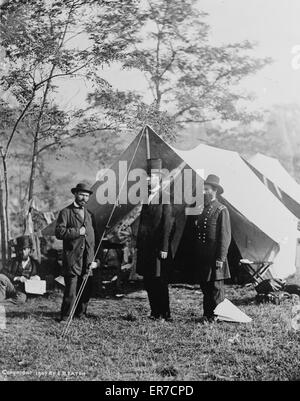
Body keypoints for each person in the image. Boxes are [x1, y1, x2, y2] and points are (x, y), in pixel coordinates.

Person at [136, 158, 175, 321]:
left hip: (159, 249)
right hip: (146, 249)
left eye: (149, 177)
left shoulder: (164, 197)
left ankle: (165, 313)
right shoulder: (146, 198)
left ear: (158, 178)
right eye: (146, 177)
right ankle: (154, 312)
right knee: (149, 280)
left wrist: (164, 247)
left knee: (160, 281)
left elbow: (167, 225)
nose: (146, 180)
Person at [55, 182, 98, 321]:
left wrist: (94, 260)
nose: (84, 198)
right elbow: (59, 232)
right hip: (72, 258)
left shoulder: (90, 215)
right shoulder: (65, 212)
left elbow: (92, 239)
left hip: (87, 259)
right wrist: (77, 232)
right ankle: (66, 316)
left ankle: (81, 314)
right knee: (71, 291)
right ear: (75, 194)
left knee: (86, 289)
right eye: (81, 195)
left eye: (86, 196)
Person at [193, 174, 231, 322]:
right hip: (204, 257)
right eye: (203, 189)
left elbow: (225, 236)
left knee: (216, 288)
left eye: (206, 189)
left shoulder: (221, 209)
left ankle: (218, 316)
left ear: (214, 190)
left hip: (215, 257)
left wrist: (221, 258)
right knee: (206, 286)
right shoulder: (205, 209)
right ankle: (207, 314)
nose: (203, 192)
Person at [0, 235, 40, 303]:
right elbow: (3, 271)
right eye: (21, 250)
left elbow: (42, 274)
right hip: (11, 287)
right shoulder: (13, 261)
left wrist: (37, 277)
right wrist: (17, 278)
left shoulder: (35, 264)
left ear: (29, 250)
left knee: (21, 299)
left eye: (25, 249)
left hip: (23, 290)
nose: (23, 252)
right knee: (1, 277)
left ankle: (4, 302)